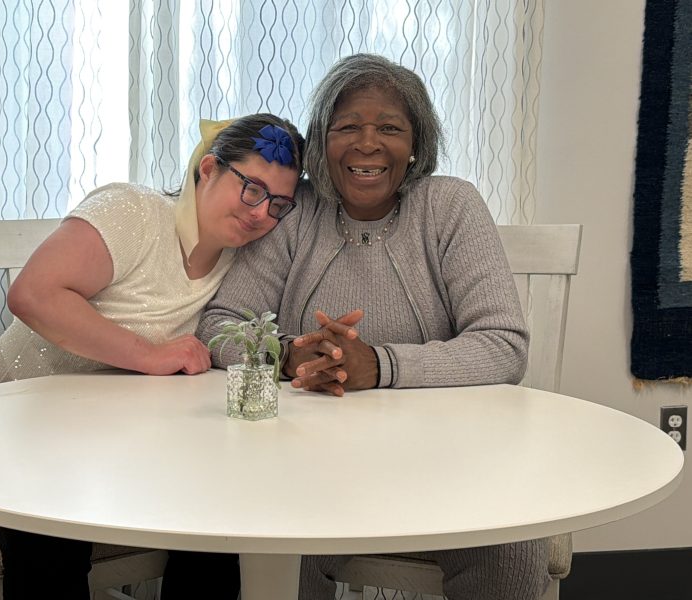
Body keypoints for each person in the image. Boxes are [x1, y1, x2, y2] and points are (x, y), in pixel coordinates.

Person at [198, 54, 550, 599]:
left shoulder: (450, 205)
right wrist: (289, 355)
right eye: (347, 127)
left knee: (508, 548)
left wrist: (379, 366)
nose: (368, 144)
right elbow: (220, 325)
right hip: (301, 463)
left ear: (416, 144)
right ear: (321, 141)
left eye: (389, 127)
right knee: (267, 546)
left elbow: (504, 346)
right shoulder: (294, 211)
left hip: (447, 459)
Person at [0, 113, 305, 599]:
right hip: (10, 422)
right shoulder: (133, 211)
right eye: (251, 189)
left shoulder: (242, 260)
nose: (261, 214)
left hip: (112, 440)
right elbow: (33, 294)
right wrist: (148, 355)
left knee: (213, 524)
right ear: (208, 169)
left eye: (278, 205)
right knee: (55, 534)